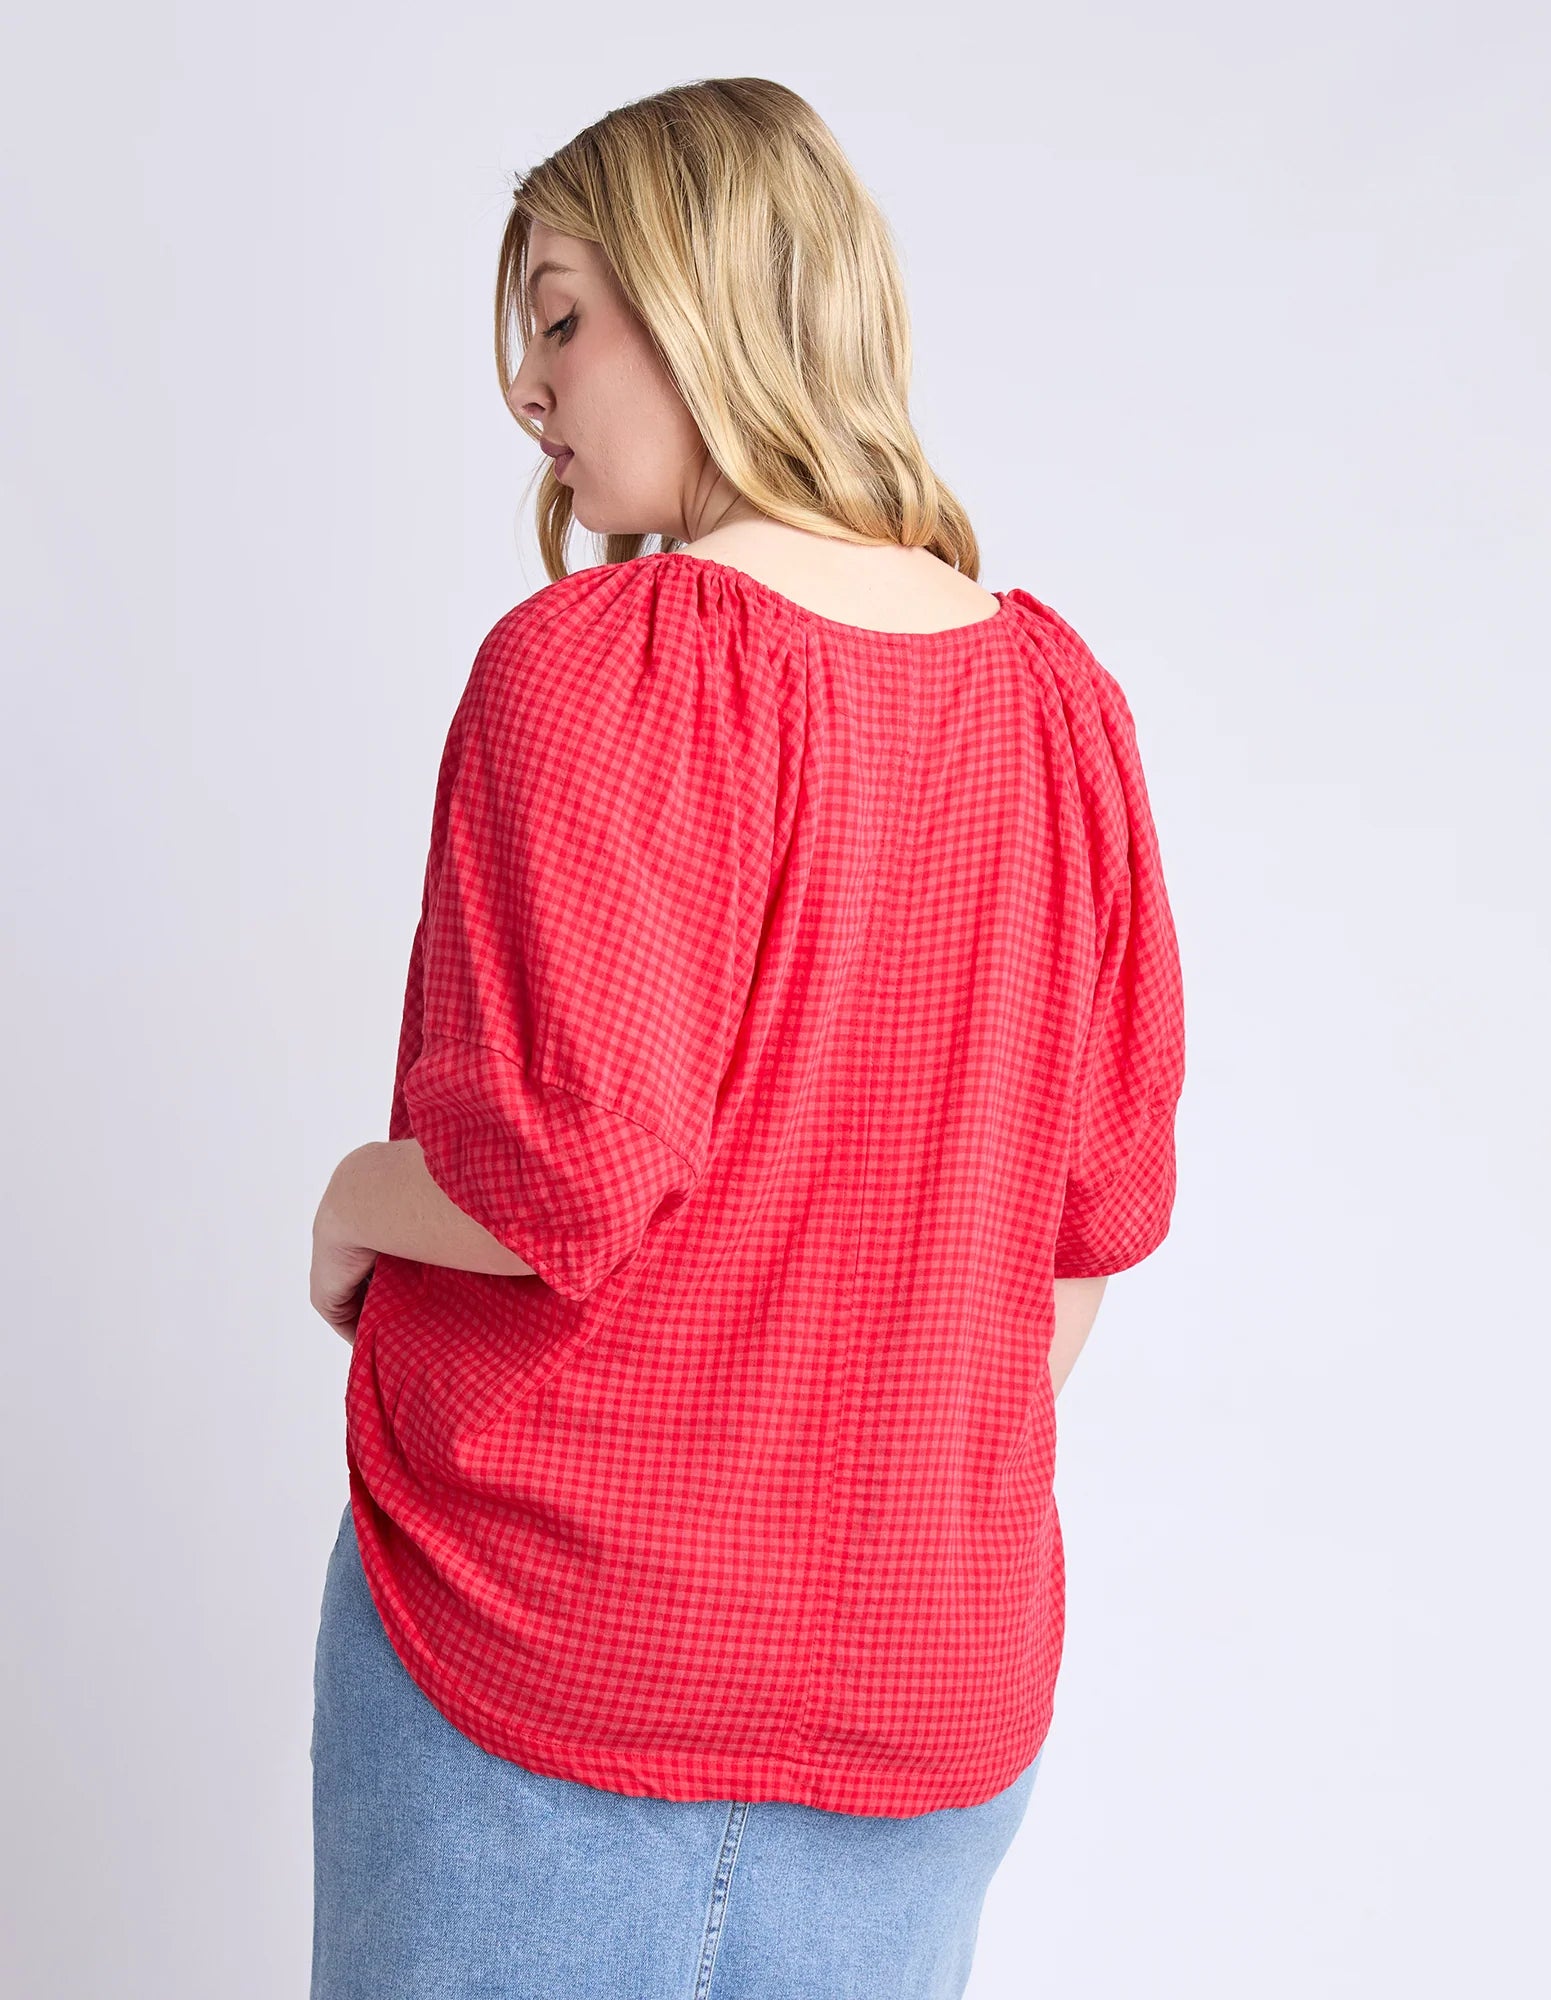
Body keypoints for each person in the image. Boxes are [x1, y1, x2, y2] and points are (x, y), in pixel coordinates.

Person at [307, 75, 1186, 2000]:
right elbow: (1089, 1231)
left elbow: (561, 1181)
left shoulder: (592, 669)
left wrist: (353, 1202)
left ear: (704, 301)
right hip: (924, 1697)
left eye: (560, 318)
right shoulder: (1059, 708)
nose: (527, 389)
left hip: (542, 1659)